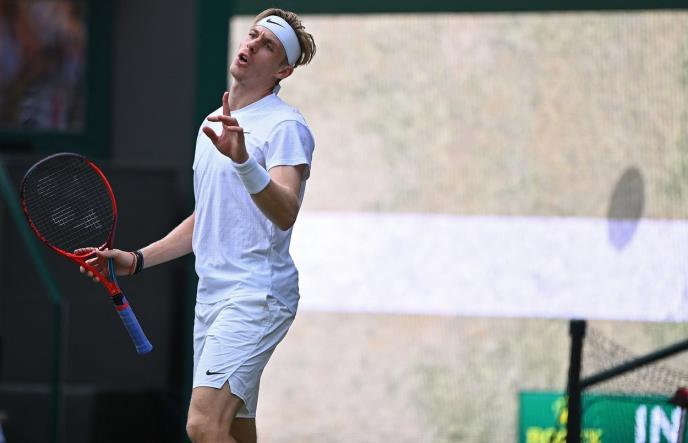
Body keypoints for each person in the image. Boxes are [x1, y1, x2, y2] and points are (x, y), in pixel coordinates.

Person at [79, 8, 316, 443]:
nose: (251, 46)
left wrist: (243, 161)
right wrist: (137, 259)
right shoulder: (212, 123)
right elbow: (205, 218)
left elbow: (285, 211)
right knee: (234, 430)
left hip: (256, 296)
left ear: (282, 71)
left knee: (203, 426)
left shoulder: (286, 126)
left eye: (267, 45)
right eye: (252, 35)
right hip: (212, 298)